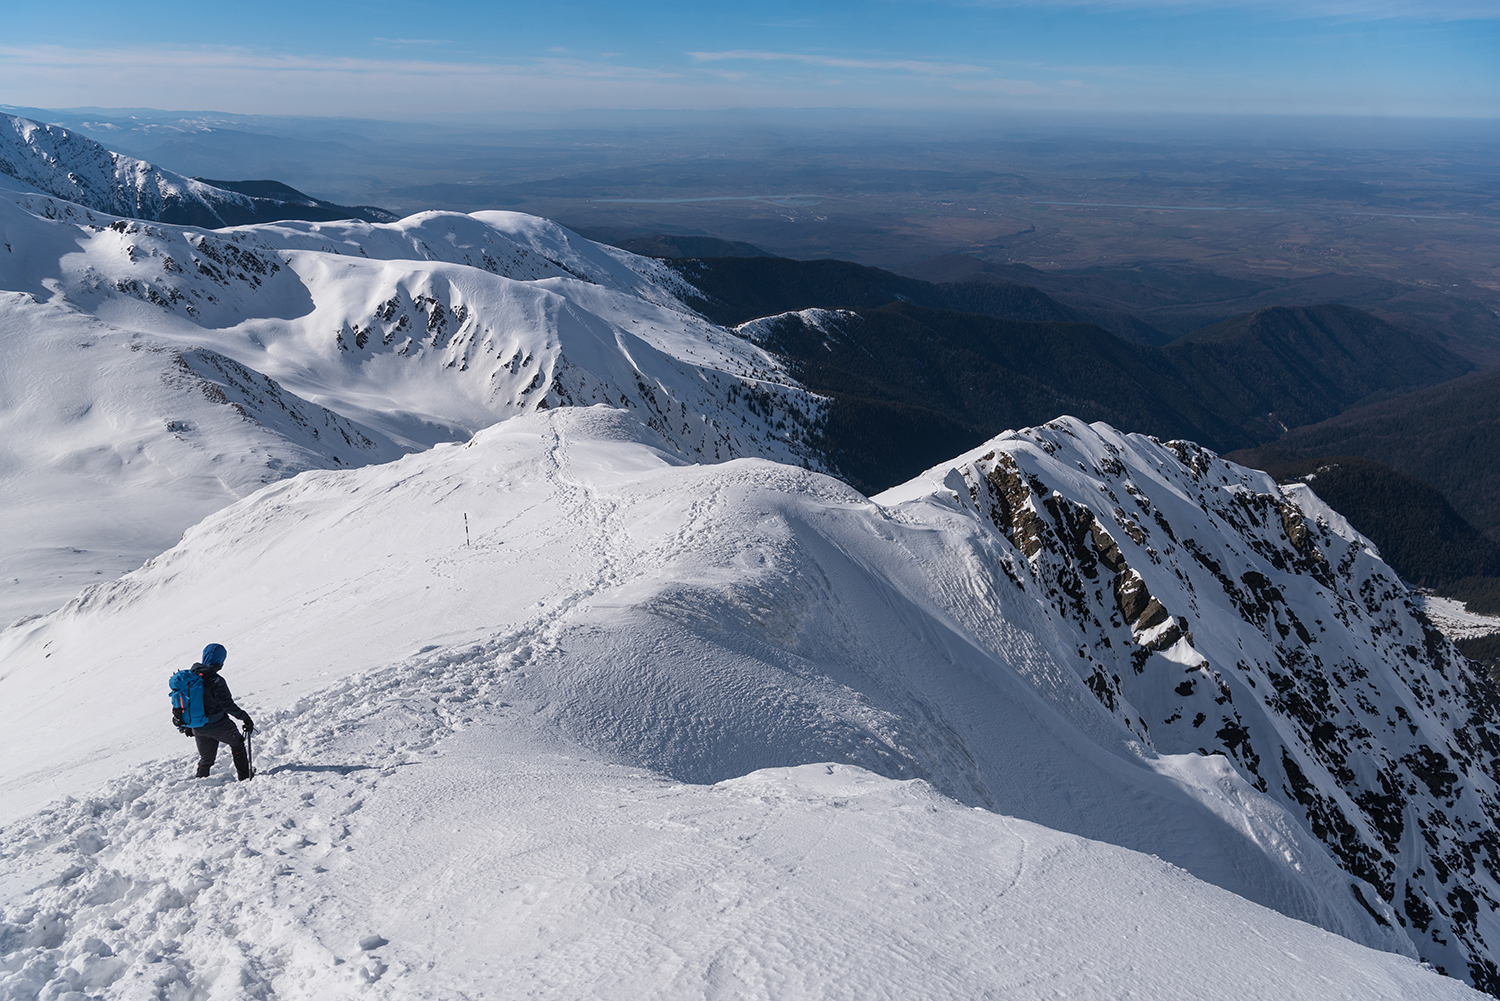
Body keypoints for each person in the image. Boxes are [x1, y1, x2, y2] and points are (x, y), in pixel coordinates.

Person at [179, 642, 256, 780]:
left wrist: (187, 725)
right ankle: (245, 776)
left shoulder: (190, 679)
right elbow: (227, 705)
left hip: (197, 727)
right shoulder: (215, 680)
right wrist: (245, 718)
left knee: (206, 759)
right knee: (237, 743)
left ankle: (200, 783)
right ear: (220, 661)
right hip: (218, 725)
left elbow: (183, 704)